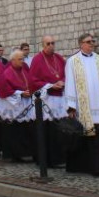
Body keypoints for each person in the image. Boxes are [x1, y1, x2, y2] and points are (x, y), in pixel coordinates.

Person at [64, 32, 99, 176]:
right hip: (83, 105)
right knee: (87, 136)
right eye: (88, 42)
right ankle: (93, 167)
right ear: (81, 44)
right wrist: (71, 105)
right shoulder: (73, 61)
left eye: (92, 41)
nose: (92, 44)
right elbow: (70, 83)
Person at [29, 35, 67, 166]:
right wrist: (51, 85)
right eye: (48, 44)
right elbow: (33, 80)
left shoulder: (59, 58)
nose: (51, 46)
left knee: (59, 129)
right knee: (48, 130)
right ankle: (47, 160)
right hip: (46, 99)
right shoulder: (37, 59)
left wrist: (62, 81)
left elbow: (66, 74)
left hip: (60, 98)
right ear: (43, 45)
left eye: (53, 43)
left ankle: (59, 158)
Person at [0, 50, 36, 162]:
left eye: (23, 58)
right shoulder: (7, 72)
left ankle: (25, 153)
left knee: (25, 129)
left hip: (25, 104)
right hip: (12, 106)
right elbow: (5, 90)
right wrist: (21, 93)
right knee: (14, 131)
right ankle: (13, 155)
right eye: (20, 59)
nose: (22, 61)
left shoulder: (24, 70)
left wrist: (29, 91)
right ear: (13, 60)